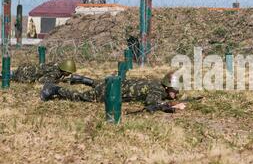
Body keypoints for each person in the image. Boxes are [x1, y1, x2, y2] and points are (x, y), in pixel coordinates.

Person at [40, 71, 187, 113]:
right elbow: (151, 103)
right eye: (175, 90)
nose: (176, 93)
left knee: (98, 86)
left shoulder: (156, 84)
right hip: (111, 92)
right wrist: (172, 106)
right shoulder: (156, 89)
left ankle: (84, 80)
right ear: (167, 87)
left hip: (117, 84)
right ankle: (54, 89)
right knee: (81, 97)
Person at [7, 59, 77, 84]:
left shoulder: (57, 64)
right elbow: (41, 80)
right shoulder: (56, 73)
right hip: (26, 75)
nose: (69, 74)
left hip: (27, 67)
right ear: (65, 70)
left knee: (9, 73)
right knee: (8, 77)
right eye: (69, 72)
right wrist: (57, 81)